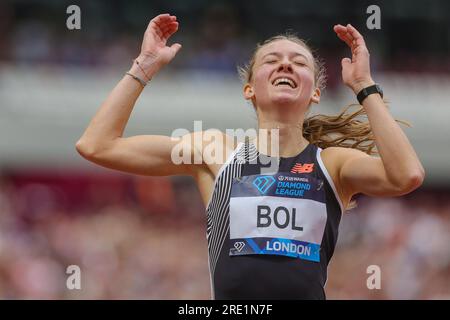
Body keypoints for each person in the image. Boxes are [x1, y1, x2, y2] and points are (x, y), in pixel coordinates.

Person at [75, 13, 425, 299]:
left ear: (316, 92)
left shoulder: (332, 163)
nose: (285, 66)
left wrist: (364, 85)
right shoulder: (216, 152)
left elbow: (406, 175)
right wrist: (144, 65)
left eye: (298, 63)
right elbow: (97, 145)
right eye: (272, 61)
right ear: (249, 89)